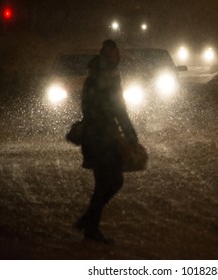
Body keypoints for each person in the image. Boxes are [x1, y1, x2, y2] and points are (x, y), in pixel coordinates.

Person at [75, 39, 139, 243]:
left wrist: (128, 132)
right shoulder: (99, 78)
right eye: (113, 54)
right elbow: (114, 108)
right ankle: (89, 225)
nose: (116, 57)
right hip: (99, 138)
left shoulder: (107, 76)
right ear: (106, 56)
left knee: (106, 183)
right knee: (111, 181)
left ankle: (89, 224)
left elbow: (118, 108)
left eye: (116, 54)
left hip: (103, 136)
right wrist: (128, 133)